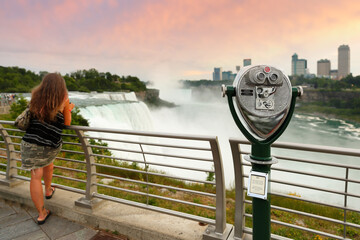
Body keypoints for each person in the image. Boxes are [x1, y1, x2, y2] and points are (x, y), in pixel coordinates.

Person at [20, 73, 74, 225]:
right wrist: (68, 108)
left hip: (29, 143)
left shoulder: (36, 96)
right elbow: (67, 124)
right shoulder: (63, 97)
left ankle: (42, 211)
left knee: (36, 175)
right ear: (61, 86)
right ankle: (46, 196)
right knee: (47, 163)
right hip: (49, 144)